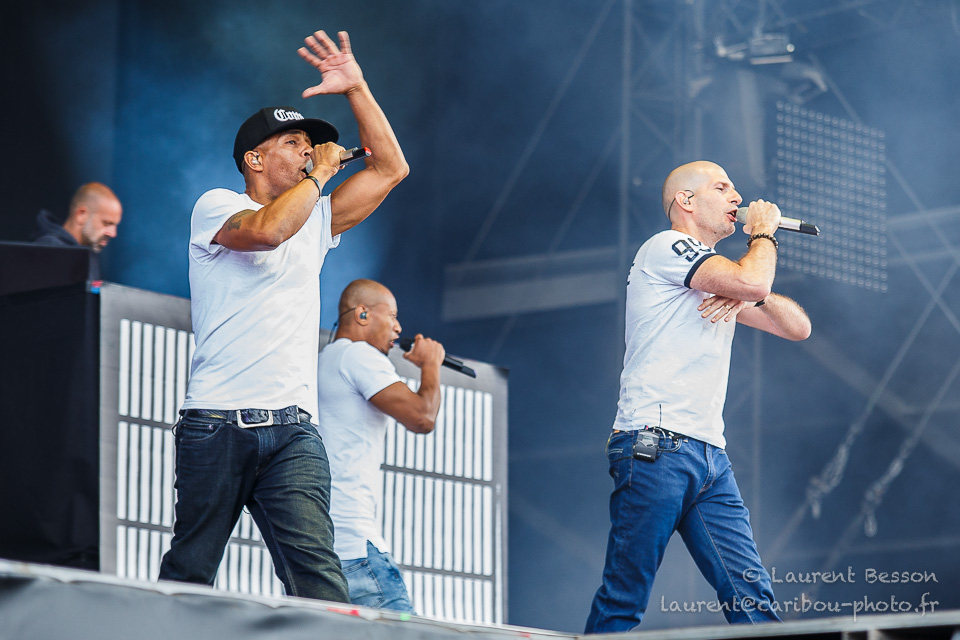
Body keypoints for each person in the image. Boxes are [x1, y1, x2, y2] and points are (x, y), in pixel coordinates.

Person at [157, 29, 409, 603]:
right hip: (216, 422)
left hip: (294, 430)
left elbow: (391, 169)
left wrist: (357, 88)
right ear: (254, 158)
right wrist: (321, 174)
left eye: (310, 145)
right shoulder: (218, 206)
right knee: (191, 573)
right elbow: (268, 231)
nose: (306, 152)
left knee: (320, 581)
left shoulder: (315, 220)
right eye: (293, 143)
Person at [584, 161, 812, 633]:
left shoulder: (721, 275)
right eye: (722, 187)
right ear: (686, 201)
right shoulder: (666, 246)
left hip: (710, 455)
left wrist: (752, 294)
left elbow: (798, 328)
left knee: (752, 598)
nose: (737, 198)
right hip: (656, 443)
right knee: (625, 595)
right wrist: (762, 236)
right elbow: (753, 279)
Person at [316, 279, 444, 612]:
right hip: (357, 550)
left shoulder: (322, 361)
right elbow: (423, 417)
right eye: (392, 316)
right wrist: (431, 364)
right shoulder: (358, 355)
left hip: (319, 551)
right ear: (362, 314)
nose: (398, 327)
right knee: (404, 634)